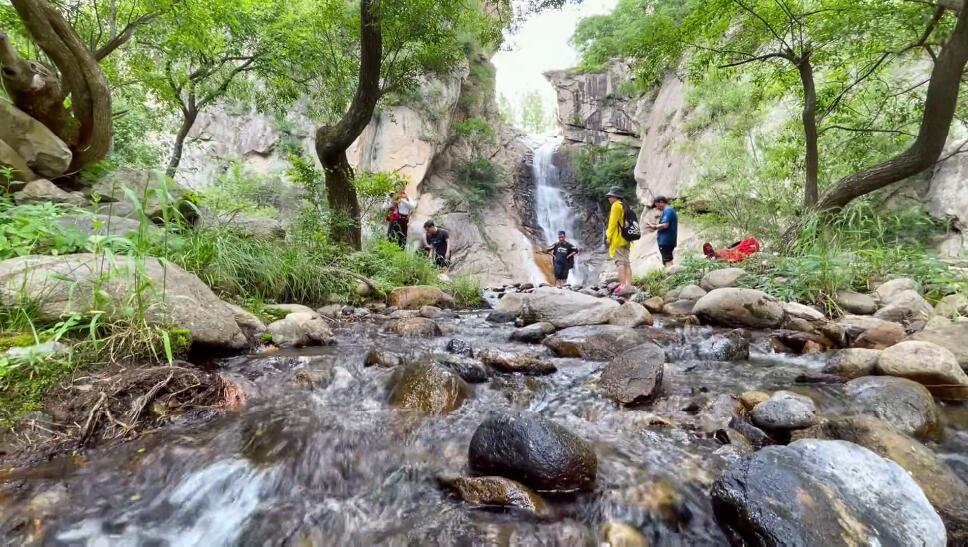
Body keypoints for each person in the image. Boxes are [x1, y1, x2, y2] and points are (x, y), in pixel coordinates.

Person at [605, 186, 633, 295]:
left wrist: (608, 236)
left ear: (616, 197)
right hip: (627, 239)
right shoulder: (625, 206)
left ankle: (622, 285)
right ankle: (628, 285)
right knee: (626, 262)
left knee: (620, 262)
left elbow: (612, 223)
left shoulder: (616, 206)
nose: (609, 198)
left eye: (610, 196)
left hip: (618, 239)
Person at [647, 195, 678, 267]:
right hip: (668, 240)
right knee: (667, 259)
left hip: (666, 241)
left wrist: (654, 226)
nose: (657, 208)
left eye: (657, 206)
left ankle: (672, 276)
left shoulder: (668, 210)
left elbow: (665, 225)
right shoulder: (670, 210)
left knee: (668, 260)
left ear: (661, 202)